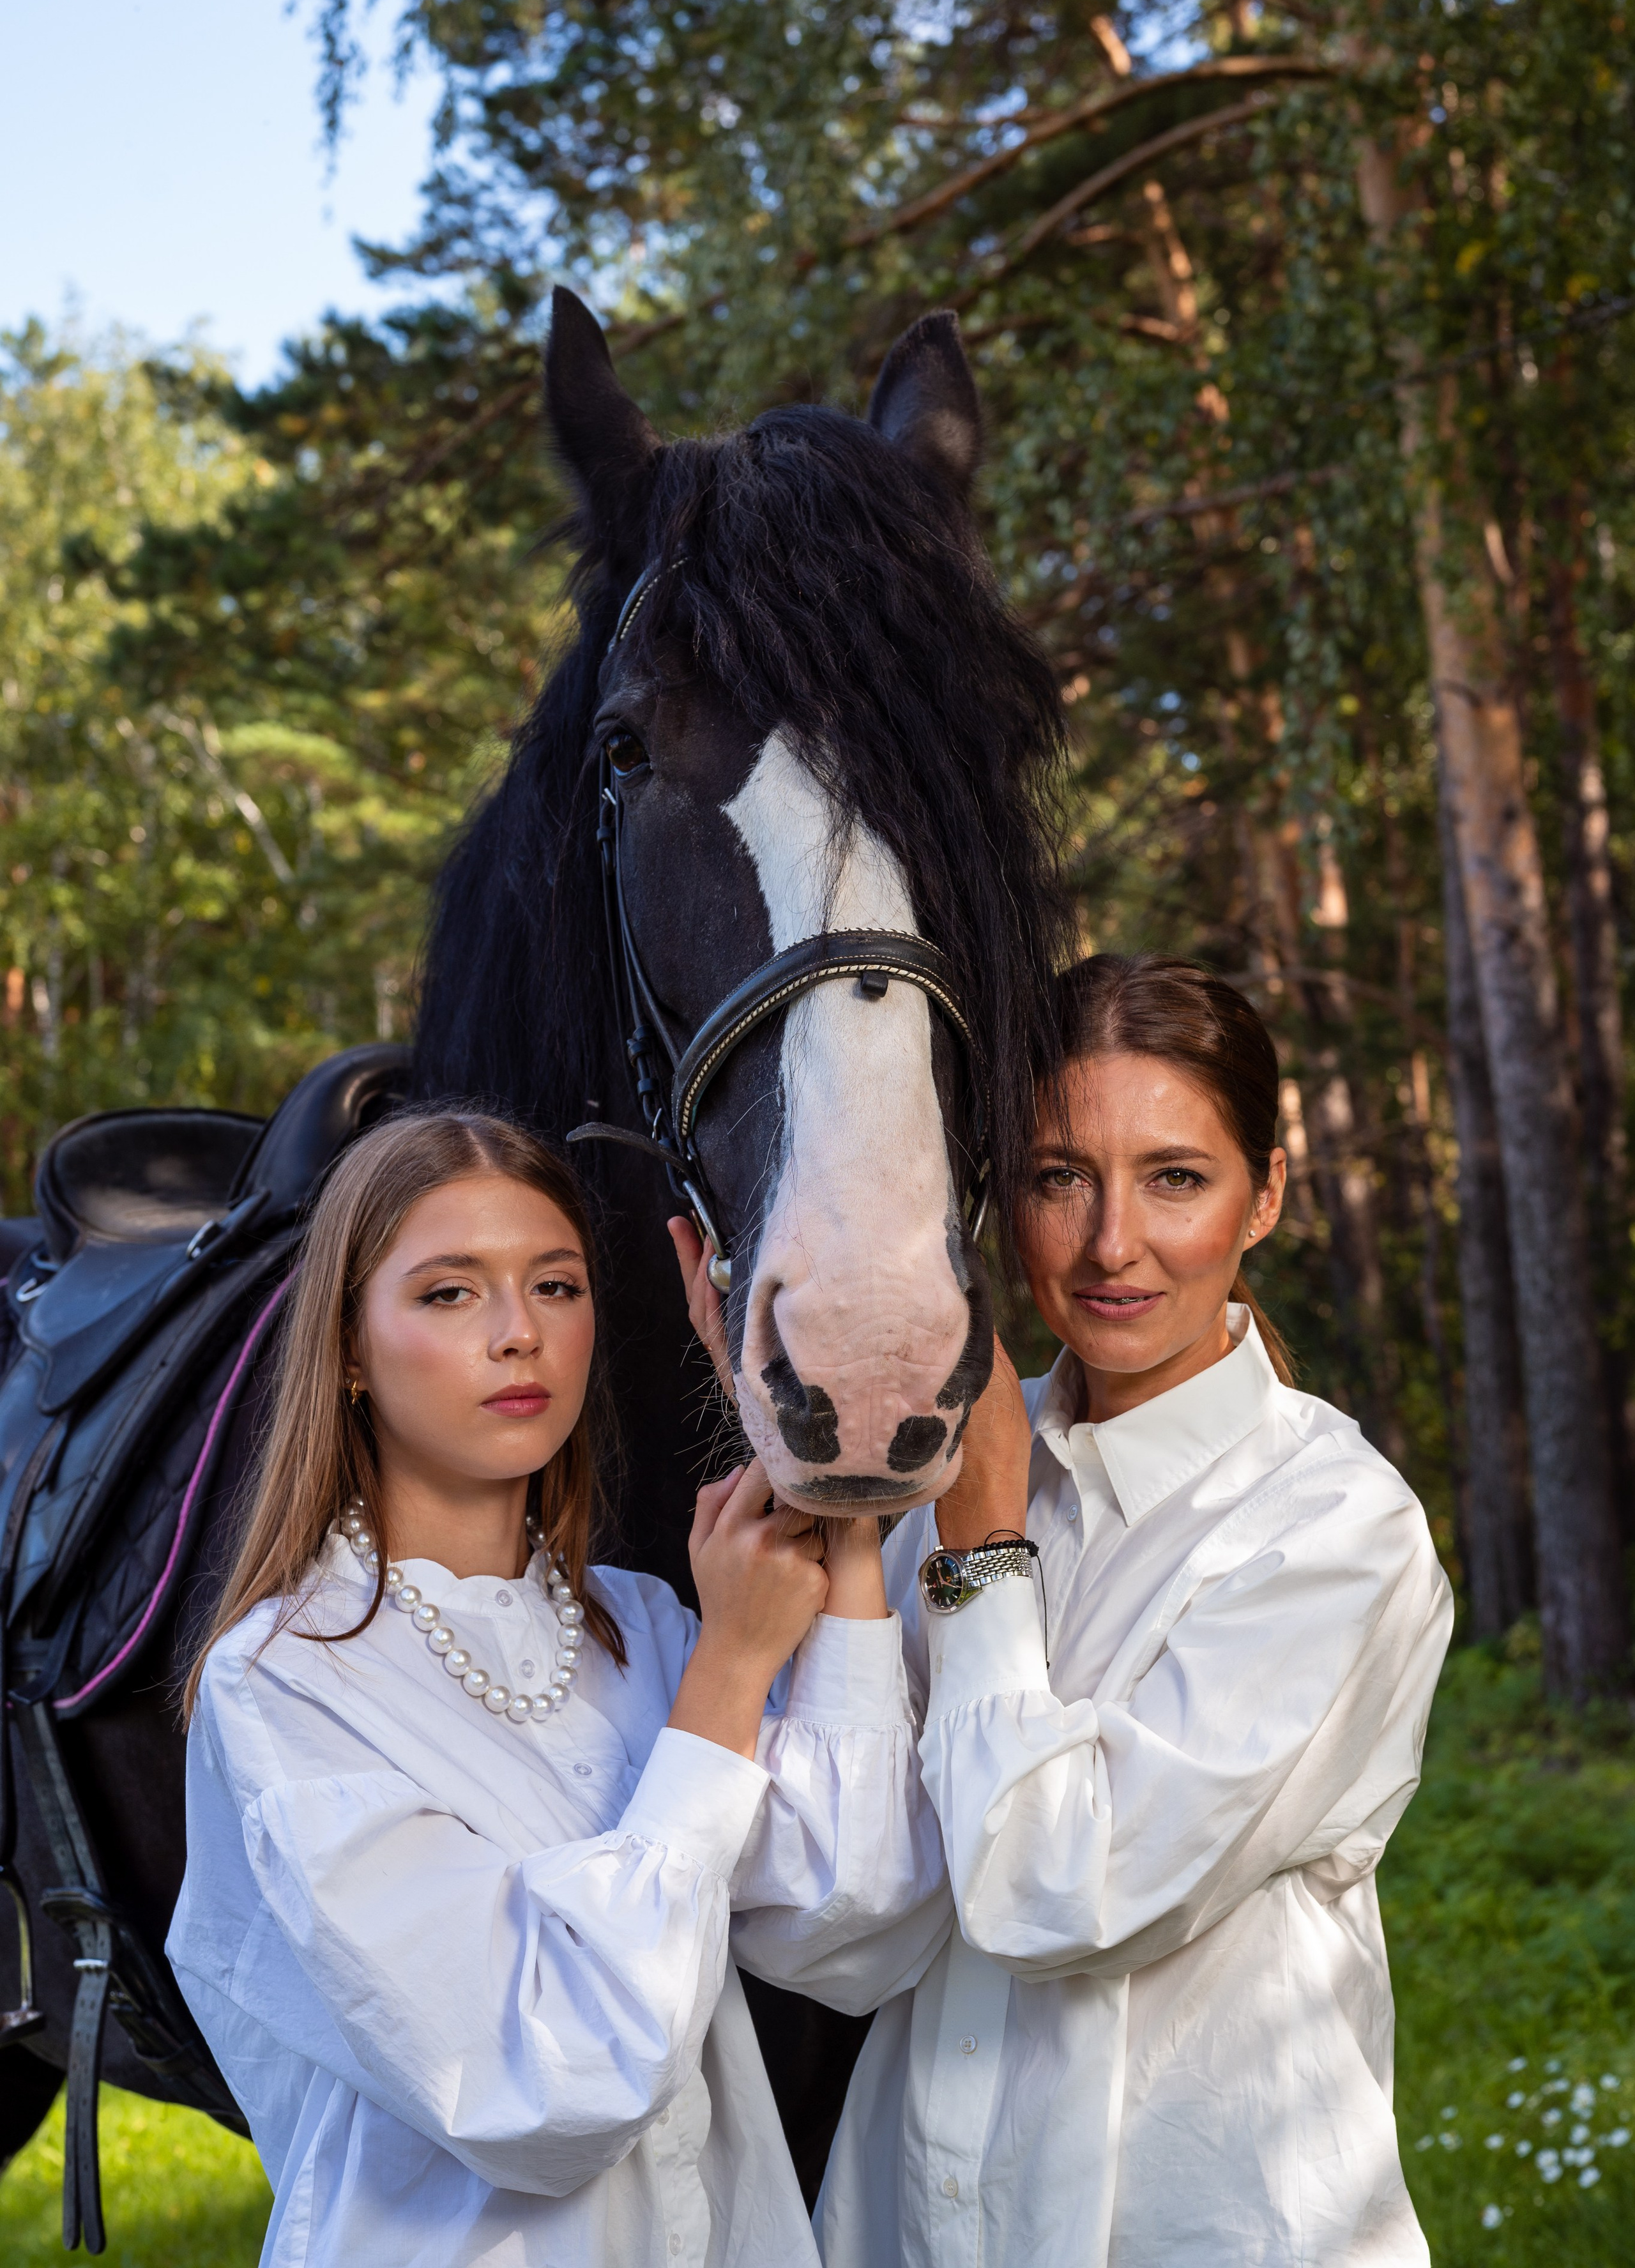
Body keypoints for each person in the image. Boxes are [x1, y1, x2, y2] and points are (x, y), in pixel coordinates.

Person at [678, 952, 1454, 2268]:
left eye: (1175, 1177)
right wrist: (859, 1532)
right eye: (1056, 1179)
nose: (1110, 1244)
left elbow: (1058, 1892)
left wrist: (982, 1548)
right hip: (907, 2230)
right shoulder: (945, 1466)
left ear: (1261, 1195)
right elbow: (845, 1941)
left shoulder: (1335, 1529)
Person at [168, 1107, 944, 2268]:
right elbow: (554, 2089)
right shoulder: (288, 1681)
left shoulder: (636, 1622)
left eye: (556, 1286)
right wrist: (731, 1672)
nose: (518, 1334)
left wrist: (812, 1468)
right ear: (344, 1348)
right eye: (448, 1293)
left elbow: (858, 1920)